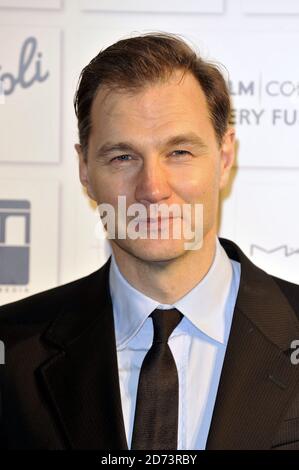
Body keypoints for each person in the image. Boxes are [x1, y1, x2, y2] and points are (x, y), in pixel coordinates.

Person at [1, 32, 299, 451]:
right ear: (85, 170)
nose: (153, 188)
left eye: (179, 152)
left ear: (225, 157)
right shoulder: (12, 351)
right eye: (122, 157)